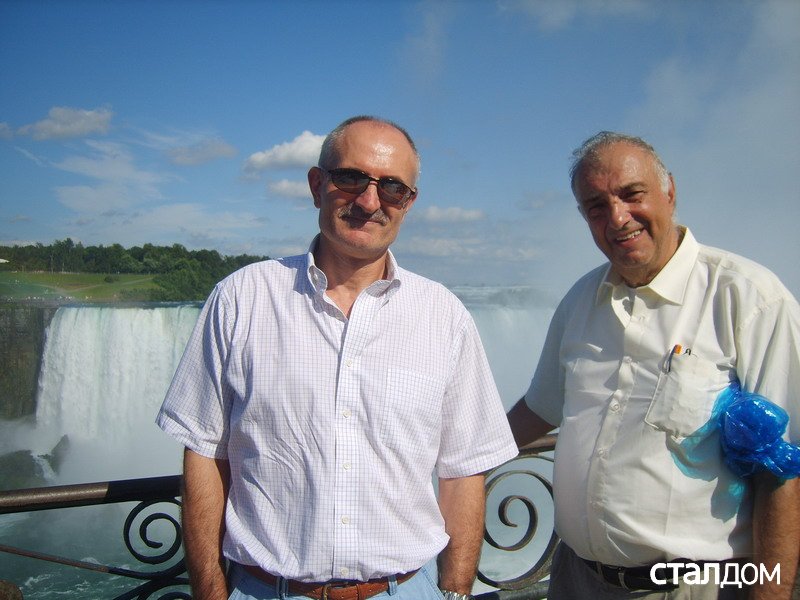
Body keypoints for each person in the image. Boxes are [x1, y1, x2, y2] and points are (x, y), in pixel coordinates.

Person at [157, 115, 518, 600]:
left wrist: (454, 593)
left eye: (392, 187)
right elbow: (203, 452)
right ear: (316, 185)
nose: (369, 201)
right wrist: (209, 592)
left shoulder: (444, 317)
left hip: (408, 590)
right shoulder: (241, 300)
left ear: (408, 203)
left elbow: (463, 471)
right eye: (351, 178)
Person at [508, 131, 800, 599]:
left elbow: (784, 468)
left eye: (631, 194)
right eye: (596, 206)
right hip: (575, 579)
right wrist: (447, 455)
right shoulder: (580, 301)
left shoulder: (747, 299)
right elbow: (539, 409)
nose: (617, 218)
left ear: (670, 191)